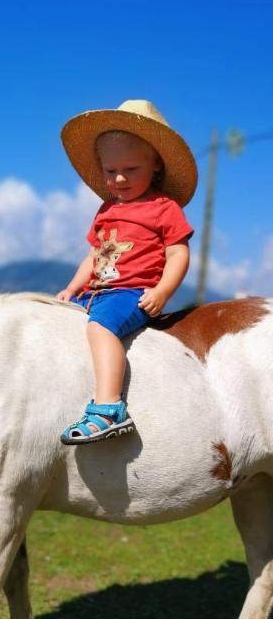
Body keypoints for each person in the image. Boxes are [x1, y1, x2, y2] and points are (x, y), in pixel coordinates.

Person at [56, 99, 197, 445]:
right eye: (110, 170)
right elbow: (95, 254)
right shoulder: (106, 210)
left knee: (102, 327)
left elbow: (178, 252)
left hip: (133, 292)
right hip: (97, 291)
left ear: (156, 166)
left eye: (131, 169)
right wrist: (72, 288)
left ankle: (108, 408)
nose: (119, 178)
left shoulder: (164, 208)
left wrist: (163, 291)